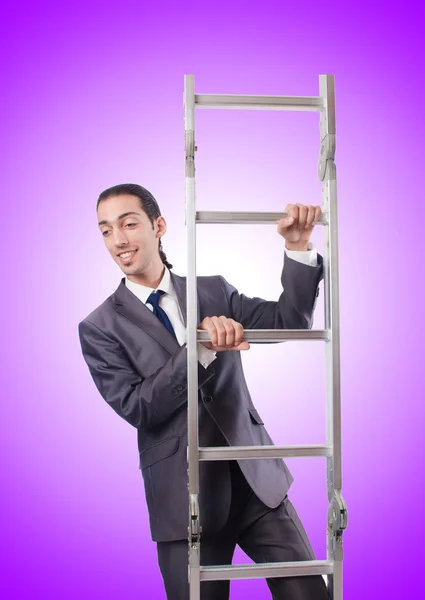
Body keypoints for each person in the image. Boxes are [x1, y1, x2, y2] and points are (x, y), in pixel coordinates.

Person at [78, 183, 329, 600]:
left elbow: (292, 320)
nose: (118, 239)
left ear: (158, 226)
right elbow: (139, 407)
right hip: (184, 497)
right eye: (106, 230)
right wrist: (197, 347)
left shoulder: (212, 290)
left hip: (256, 483)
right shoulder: (99, 327)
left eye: (129, 223)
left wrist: (298, 246)